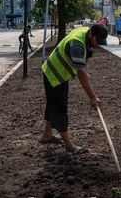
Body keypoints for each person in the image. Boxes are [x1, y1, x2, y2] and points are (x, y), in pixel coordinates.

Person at [39, 24, 108, 154]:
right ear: (91, 34)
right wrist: (92, 97)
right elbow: (80, 72)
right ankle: (69, 146)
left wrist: (85, 69)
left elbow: (87, 55)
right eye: (97, 40)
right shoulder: (76, 44)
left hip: (58, 73)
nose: (98, 44)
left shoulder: (86, 34)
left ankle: (46, 135)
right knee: (60, 107)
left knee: (53, 104)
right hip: (54, 74)